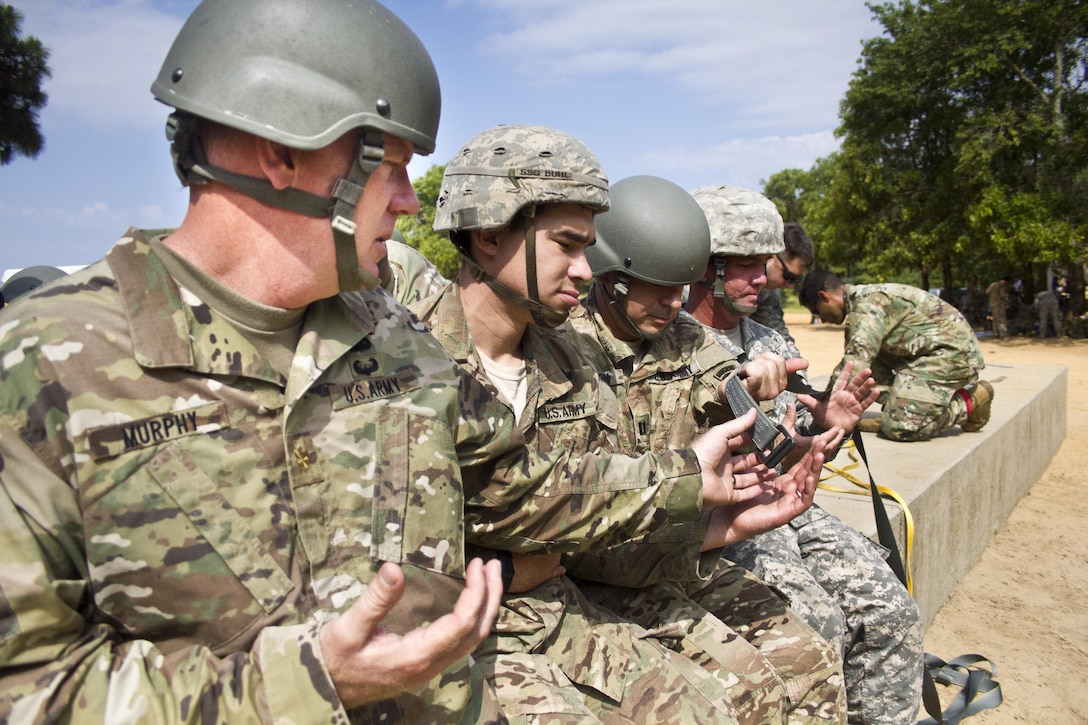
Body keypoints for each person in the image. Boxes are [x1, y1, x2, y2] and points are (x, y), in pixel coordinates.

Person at [0, 4, 748, 722]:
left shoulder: (393, 336)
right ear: (281, 150)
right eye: (389, 166)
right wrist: (302, 684)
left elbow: (510, 484)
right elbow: (25, 685)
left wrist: (685, 477)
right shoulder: (47, 361)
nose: (409, 203)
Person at [415, 128, 831, 721]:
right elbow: (477, 508)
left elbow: (589, 536)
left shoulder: (569, 364)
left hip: (558, 605)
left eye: (590, 249)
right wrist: (511, 569)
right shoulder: (410, 358)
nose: (586, 271)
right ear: (486, 234)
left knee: (723, 704)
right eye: (567, 245)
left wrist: (719, 526)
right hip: (456, 629)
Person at [567, 174, 875, 721]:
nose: (673, 303)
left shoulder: (682, 336)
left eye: (680, 287)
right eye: (657, 286)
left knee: (810, 657)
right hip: (595, 566)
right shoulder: (563, 345)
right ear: (610, 276)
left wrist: (793, 435)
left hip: (672, 550)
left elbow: (729, 386)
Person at [685, 185, 923, 725]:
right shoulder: (668, 346)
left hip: (793, 506)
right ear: (702, 267)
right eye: (742, 266)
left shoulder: (772, 342)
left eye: (762, 264)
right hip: (727, 516)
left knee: (890, 612)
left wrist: (825, 426)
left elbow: (796, 449)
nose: (761, 279)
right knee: (816, 623)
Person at [800, 269, 993, 441]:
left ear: (824, 297)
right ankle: (901, 406)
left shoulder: (868, 307)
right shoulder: (864, 301)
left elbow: (853, 365)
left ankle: (969, 402)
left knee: (899, 428)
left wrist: (822, 411)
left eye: (818, 312)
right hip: (927, 353)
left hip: (952, 354)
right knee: (869, 369)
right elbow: (862, 364)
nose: (823, 319)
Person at [750, 221, 814, 356]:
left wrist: (797, 369)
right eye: (788, 276)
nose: (790, 286)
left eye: (796, 280)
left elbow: (777, 333)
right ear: (771, 257)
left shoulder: (769, 294)